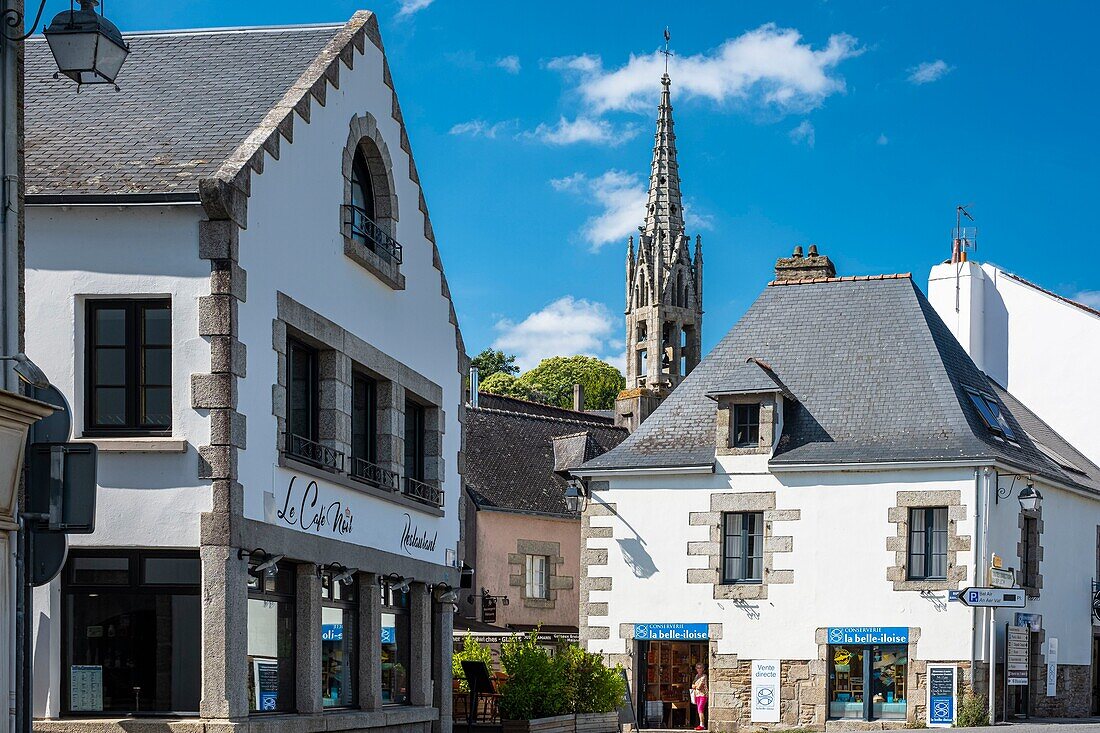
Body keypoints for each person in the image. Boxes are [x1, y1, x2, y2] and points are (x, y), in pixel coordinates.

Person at [690, 662, 708, 730]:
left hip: (703, 695)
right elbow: (692, 685)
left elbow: (699, 687)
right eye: (697, 668)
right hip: (697, 695)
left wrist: (695, 686)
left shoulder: (704, 676)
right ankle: (701, 724)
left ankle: (702, 725)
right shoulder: (696, 676)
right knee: (699, 710)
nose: (699, 669)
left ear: (703, 669)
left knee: (700, 709)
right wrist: (695, 686)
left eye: (700, 668)